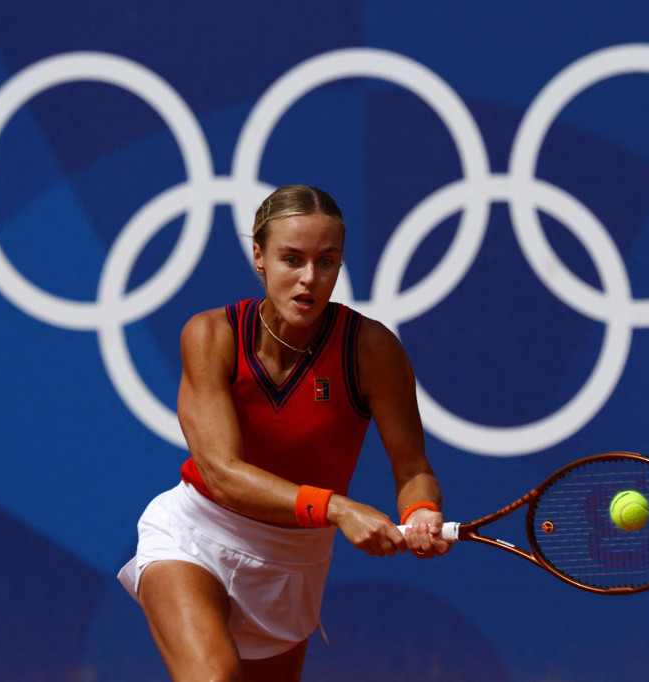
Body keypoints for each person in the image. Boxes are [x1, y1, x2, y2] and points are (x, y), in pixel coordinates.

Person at [118, 184, 451, 682]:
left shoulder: (372, 350)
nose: (309, 280)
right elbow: (223, 473)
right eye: (291, 259)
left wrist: (421, 510)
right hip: (197, 534)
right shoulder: (210, 336)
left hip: (294, 563)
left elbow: (412, 467)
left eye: (327, 261)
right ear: (259, 256)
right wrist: (338, 508)